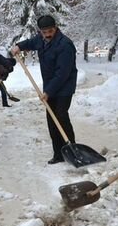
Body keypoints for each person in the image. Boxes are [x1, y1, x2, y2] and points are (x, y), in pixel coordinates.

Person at [10, 15, 78, 164]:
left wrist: (48, 92)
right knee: (51, 119)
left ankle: (73, 151)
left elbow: (62, 74)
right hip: (50, 86)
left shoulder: (65, 45)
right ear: (40, 31)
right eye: (44, 32)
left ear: (55, 28)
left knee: (60, 116)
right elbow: (31, 42)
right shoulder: (41, 39)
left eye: (50, 31)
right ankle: (59, 154)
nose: (47, 34)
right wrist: (19, 46)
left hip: (64, 87)